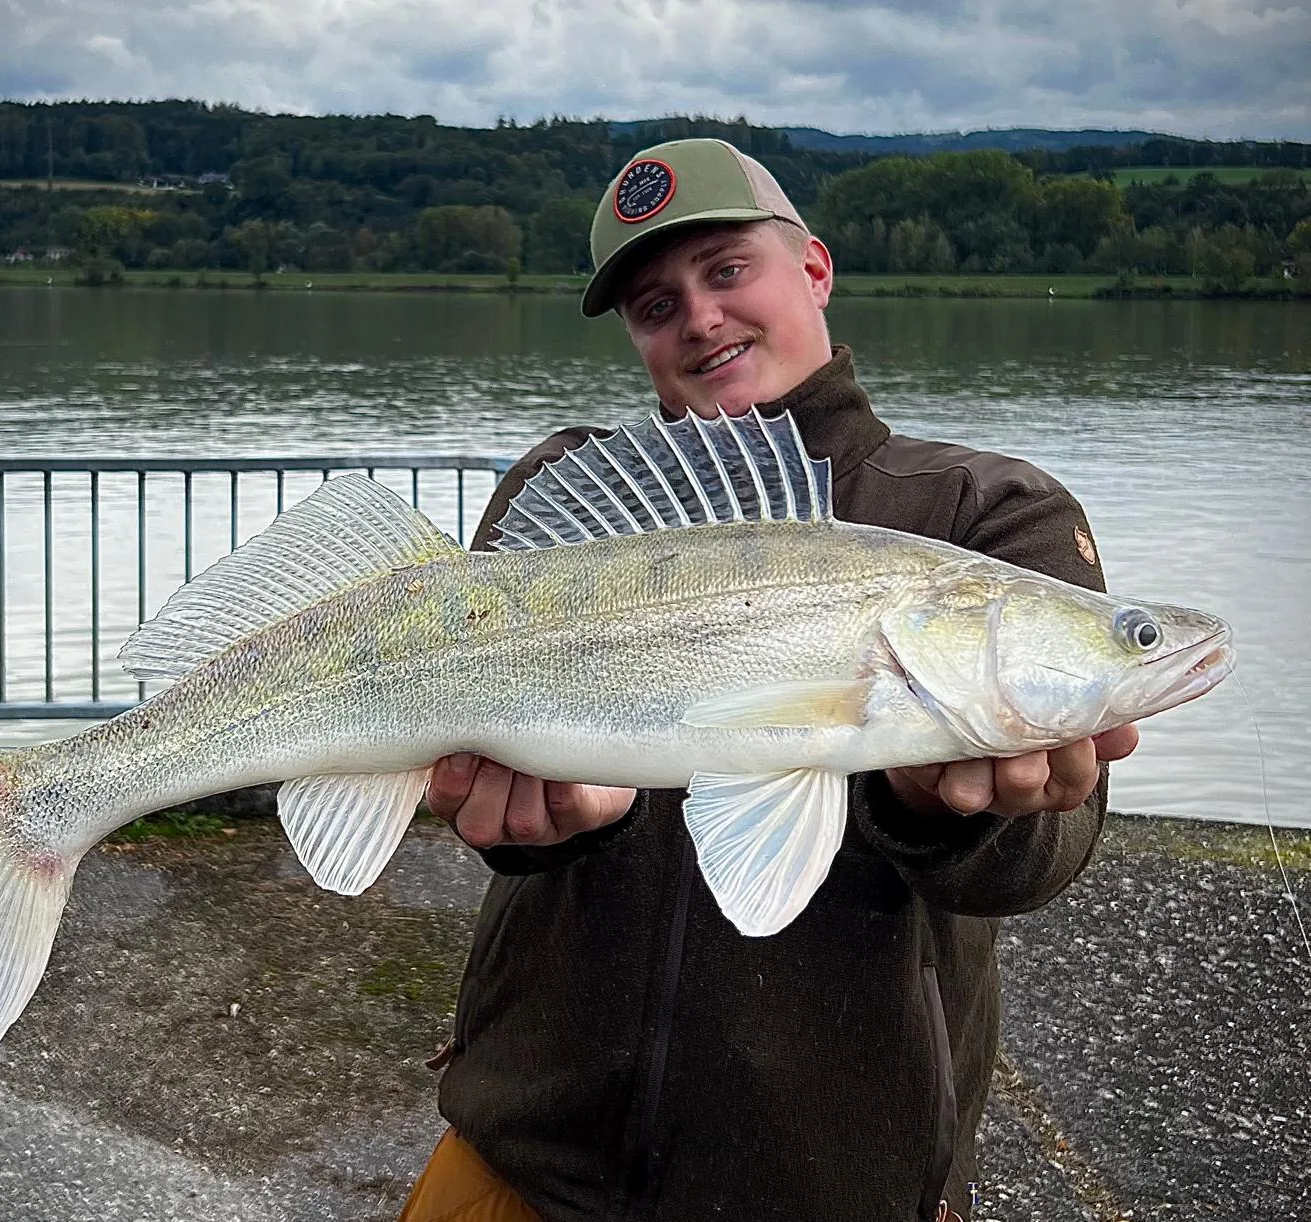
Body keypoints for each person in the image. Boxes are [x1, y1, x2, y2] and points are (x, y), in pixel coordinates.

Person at [398, 138, 1140, 1222]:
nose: (699, 318)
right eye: (656, 305)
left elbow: (1038, 856)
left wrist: (939, 808)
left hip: (829, 1181)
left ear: (815, 268)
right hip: (525, 1148)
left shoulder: (986, 513)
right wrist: (533, 827)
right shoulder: (565, 491)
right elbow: (487, 800)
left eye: (727, 270)